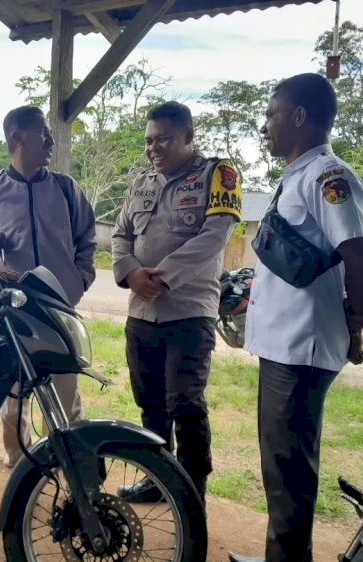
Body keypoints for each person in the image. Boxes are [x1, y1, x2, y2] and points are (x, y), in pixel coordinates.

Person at [228, 73, 363, 562]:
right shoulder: (298, 174)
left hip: (301, 351)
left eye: (272, 114)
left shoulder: (327, 178)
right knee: (280, 470)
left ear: (298, 116)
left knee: (290, 475)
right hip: (285, 348)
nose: (265, 125)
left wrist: (353, 325)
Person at [111, 101, 242, 503]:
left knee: (185, 405)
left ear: (189, 135)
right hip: (142, 313)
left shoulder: (218, 174)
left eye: (164, 139)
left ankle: (191, 491)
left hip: (189, 313)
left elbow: (215, 235)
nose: (155, 148)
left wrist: (161, 278)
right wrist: (131, 272)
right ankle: (157, 479)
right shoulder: (141, 183)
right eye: (150, 141)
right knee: (149, 404)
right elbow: (120, 236)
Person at [0, 105, 97, 468]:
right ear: (18, 137)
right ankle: (21, 466)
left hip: (59, 308)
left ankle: (68, 464)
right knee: (15, 396)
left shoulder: (66, 188)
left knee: (66, 393)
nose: (50, 139)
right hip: (11, 311)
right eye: (43, 132)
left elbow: (87, 239)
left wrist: (79, 281)